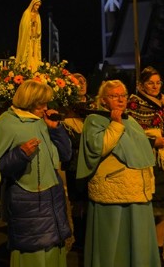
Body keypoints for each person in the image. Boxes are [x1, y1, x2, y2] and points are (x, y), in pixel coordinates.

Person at [0, 79, 72, 267]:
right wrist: (21, 154)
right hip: (28, 200)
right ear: (29, 101)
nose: (45, 107)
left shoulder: (43, 121)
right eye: (41, 103)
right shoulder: (7, 123)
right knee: (33, 254)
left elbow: (66, 154)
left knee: (54, 250)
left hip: (52, 196)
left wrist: (57, 130)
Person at [76, 79, 160, 267]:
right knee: (113, 240)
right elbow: (99, 147)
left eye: (123, 95)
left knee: (138, 238)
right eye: (115, 96)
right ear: (103, 100)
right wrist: (115, 124)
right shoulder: (94, 119)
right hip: (113, 191)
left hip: (137, 190)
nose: (121, 99)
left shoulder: (129, 119)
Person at [127, 67, 164, 267]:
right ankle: (144, 254)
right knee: (146, 212)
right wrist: (153, 142)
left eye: (158, 82)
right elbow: (130, 134)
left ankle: (159, 254)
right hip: (146, 163)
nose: (155, 86)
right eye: (150, 83)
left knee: (163, 210)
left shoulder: (163, 103)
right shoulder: (133, 104)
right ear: (141, 85)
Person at [61, 73, 94, 250]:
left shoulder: (95, 106)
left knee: (94, 201)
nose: (81, 84)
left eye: (83, 81)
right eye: (76, 82)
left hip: (95, 163)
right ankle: (80, 239)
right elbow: (67, 139)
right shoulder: (65, 109)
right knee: (78, 203)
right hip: (74, 163)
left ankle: (93, 236)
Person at [15, 0, 43, 71]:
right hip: (28, 37)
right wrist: (30, 24)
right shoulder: (27, 13)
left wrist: (36, 29)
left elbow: (39, 26)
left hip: (34, 37)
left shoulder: (38, 15)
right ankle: (25, 67)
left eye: (39, 6)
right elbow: (24, 25)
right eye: (36, 5)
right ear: (33, 5)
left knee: (34, 53)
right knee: (28, 52)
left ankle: (34, 68)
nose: (37, 7)